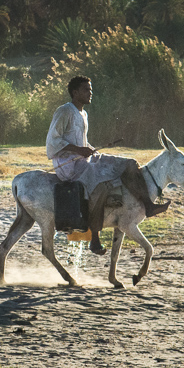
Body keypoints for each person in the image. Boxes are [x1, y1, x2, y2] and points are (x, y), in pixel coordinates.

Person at [45, 75, 169, 255]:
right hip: (68, 165)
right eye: (86, 90)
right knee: (100, 187)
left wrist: (88, 149)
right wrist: (80, 151)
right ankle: (94, 239)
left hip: (83, 159)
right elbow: (53, 141)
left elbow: (81, 141)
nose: (90, 93)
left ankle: (148, 205)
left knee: (130, 164)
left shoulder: (83, 114)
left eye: (91, 90)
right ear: (75, 92)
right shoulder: (64, 111)